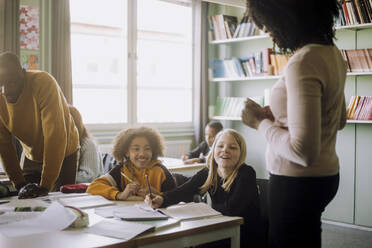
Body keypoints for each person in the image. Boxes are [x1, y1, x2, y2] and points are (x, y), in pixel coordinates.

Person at [241, 1, 346, 247]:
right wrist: (280, 120)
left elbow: (303, 152)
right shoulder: (332, 54)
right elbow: (338, 120)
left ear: (286, 16)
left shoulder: (302, 61)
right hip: (325, 177)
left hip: (296, 183)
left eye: (268, 24)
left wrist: (260, 123)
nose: (268, 32)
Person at [146, 129, 262, 248]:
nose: (225, 150)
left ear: (241, 153)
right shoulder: (209, 172)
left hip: (243, 234)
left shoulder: (247, 173)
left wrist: (206, 209)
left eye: (232, 147)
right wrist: (162, 199)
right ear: (213, 150)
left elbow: (233, 209)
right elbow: (185, 190)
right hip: (220, 227)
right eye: (220, 146)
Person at [0, 52, 79, 198]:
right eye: (1, 84)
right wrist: (18, 183)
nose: (6, 91)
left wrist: (45, 186)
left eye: (11, 82)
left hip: (64, 150)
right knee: (26, 199)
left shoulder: (43, 83)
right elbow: (4, 146)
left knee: (61, 202)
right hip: (31, 153)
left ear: (23, 74)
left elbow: (55, 136)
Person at [87, 126, 176, 201]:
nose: (142, 154)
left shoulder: (160, 171)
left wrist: (158, 194)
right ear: (126, 152)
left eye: (147, 148)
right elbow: (92, 187)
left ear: (153, 151)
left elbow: (176, 195)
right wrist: (119, 195)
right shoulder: (121, 170)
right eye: (136, 149)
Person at [68, 105, 103, 183]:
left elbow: (89, 177)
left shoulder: (88, 144)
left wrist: (55, 176)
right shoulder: (64, 144)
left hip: (88, 191)